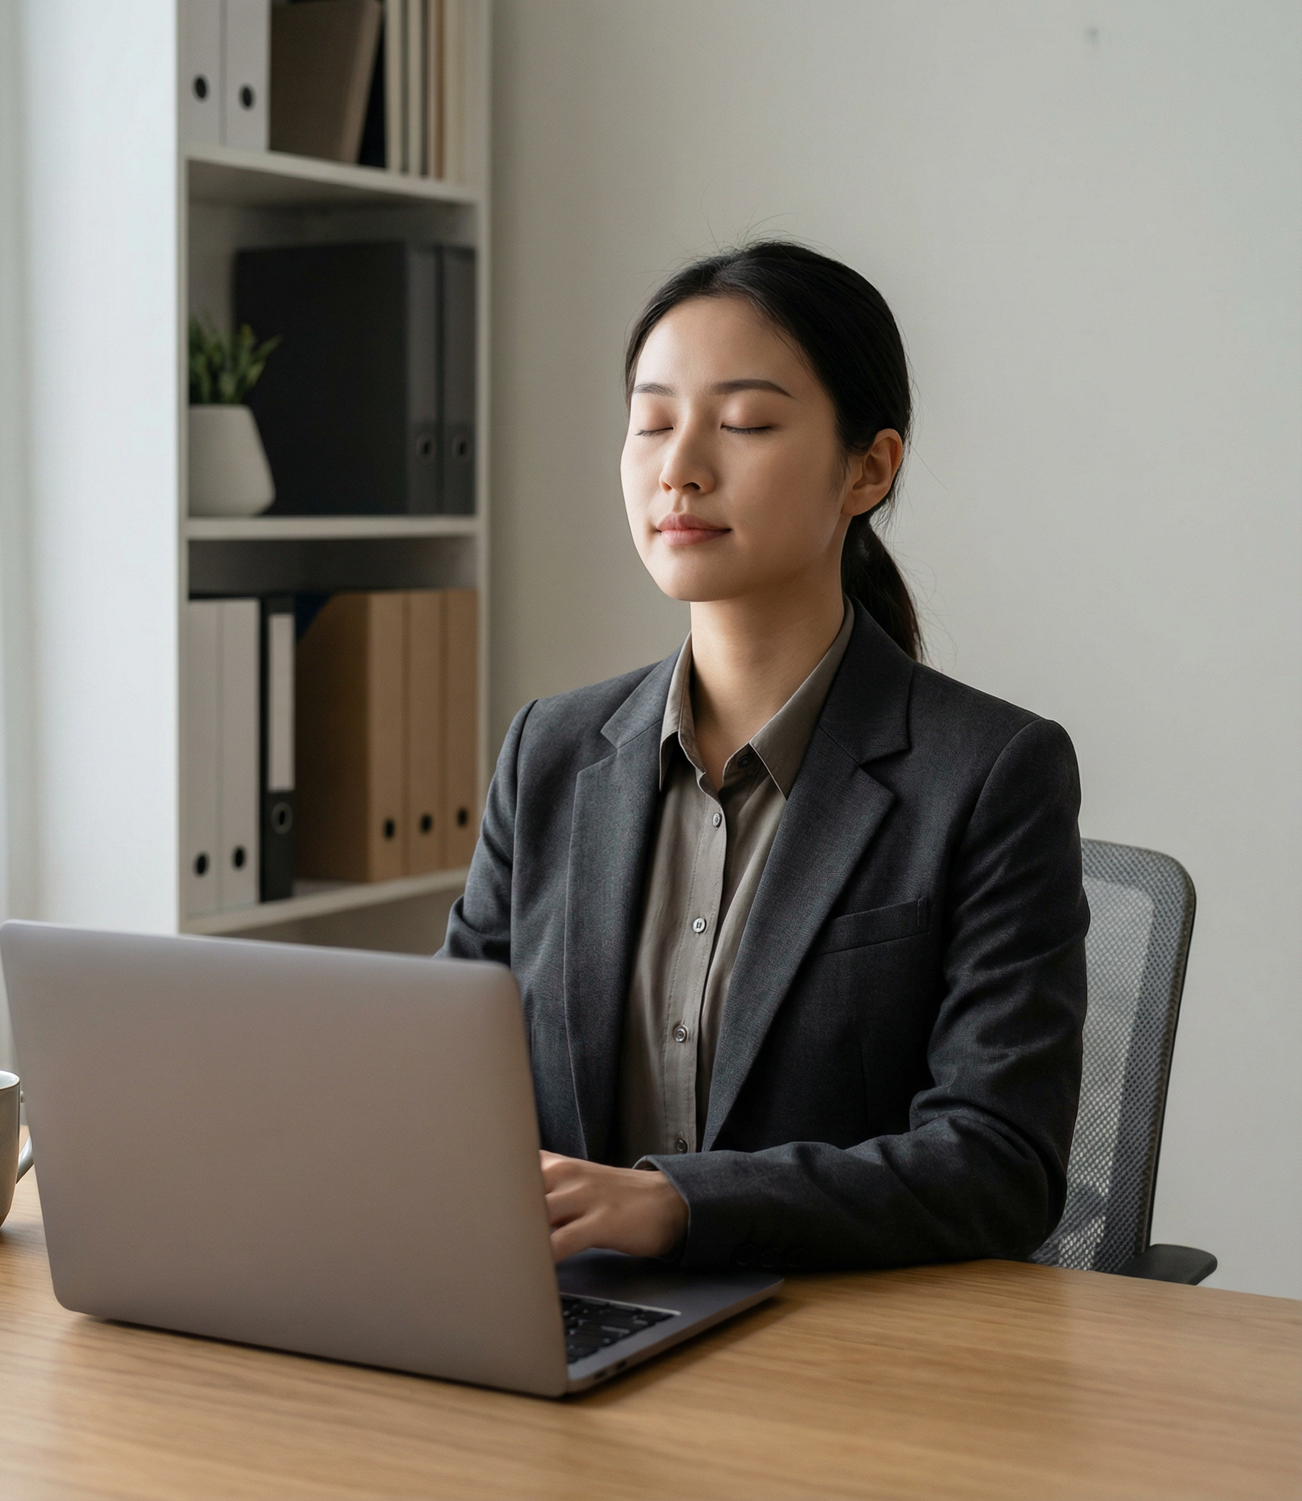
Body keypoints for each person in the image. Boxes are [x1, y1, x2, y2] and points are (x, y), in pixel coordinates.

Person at [441, 241, 1089, 1272]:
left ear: (868, 469)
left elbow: (999, 1161)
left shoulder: (991, 773)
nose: (678, 467)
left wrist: (680, 1205)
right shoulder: (548, 755)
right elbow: (445, 1081)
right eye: (651, 422)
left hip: (844, 1362)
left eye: (743, 422)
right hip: (561, 1322)